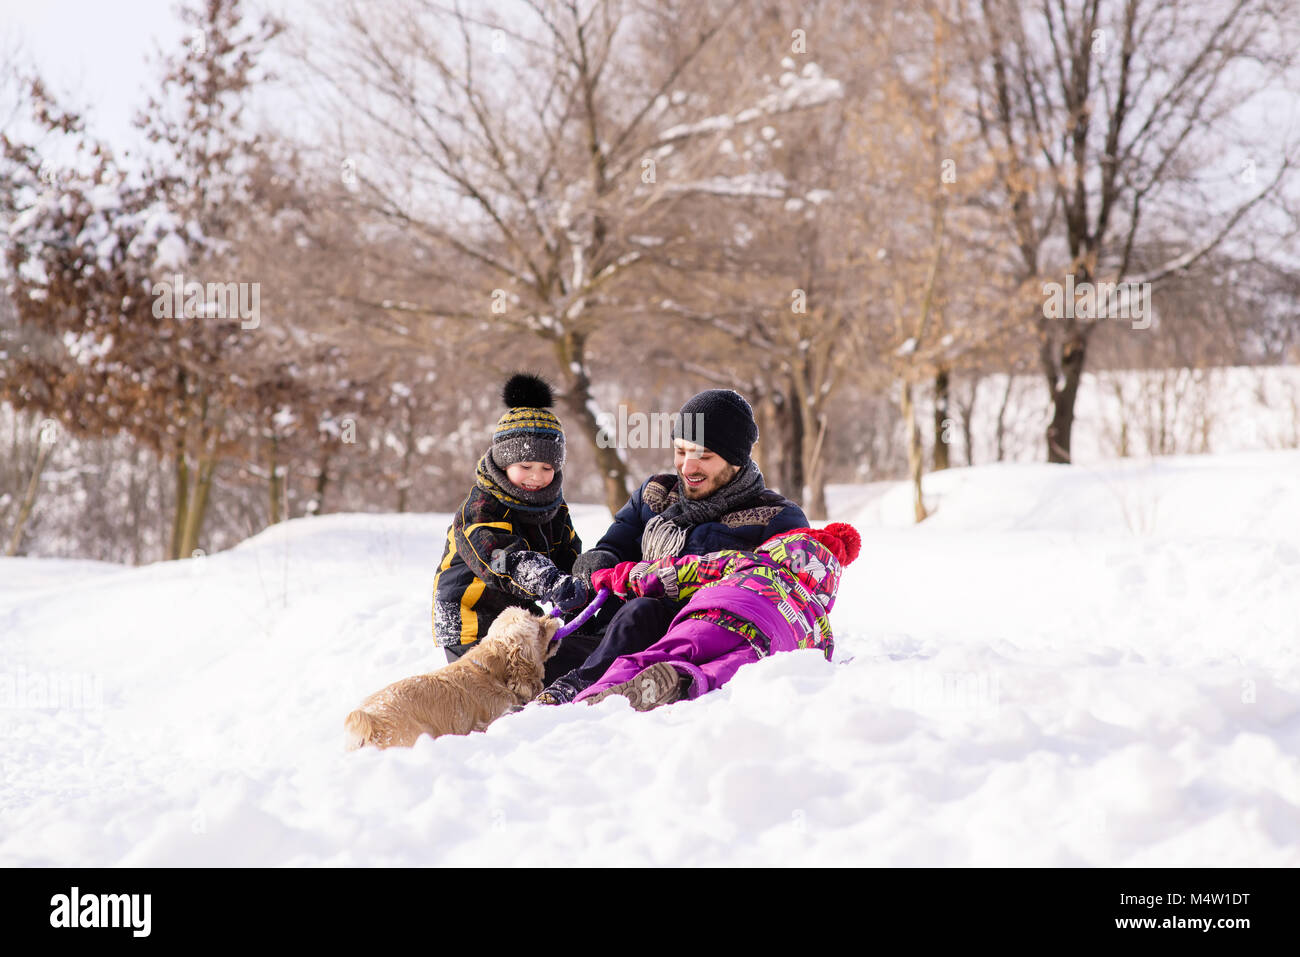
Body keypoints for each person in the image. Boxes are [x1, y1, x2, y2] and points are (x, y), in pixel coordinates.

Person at [534, 388, 808, 704]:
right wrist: (598, 562)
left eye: (704, 456)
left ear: (736, 459)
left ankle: (580, 689)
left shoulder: (776, 517)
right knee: (546, 660)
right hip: (615, 636)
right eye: (681, 451)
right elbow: (613, 546)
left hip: (694, 640)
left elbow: (785, 596)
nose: (688, 467)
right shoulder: (656, 494)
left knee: (642, 611)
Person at [575, 523, 861, 710]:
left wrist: (620, 576)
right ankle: (685, 680)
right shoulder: (819, 621)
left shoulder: (751, 561)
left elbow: (680, 571)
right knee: (724, 670)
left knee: (657, 654)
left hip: (715, 613)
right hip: (764, 643)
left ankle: (599, 694)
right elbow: (816, 664)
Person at [432, 372, 588, 669]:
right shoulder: (481, 507)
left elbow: (569, 552)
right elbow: (502, 559)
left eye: (547, 467)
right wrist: (548, 580)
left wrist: (581, 581)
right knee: (490, 687)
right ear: (504, 463)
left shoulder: (554, 506)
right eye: (525, 465)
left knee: (545, 672)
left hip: (516, 612)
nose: (536, 476)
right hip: (470, 616)